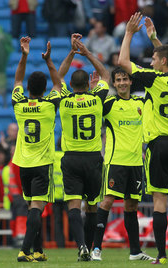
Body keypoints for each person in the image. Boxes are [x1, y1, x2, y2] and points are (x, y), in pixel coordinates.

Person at [118, 13, 168, 264]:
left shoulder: (155, 80)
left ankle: (161, 254)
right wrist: (154, 38)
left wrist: (129, 33)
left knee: (160, 200)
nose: (150, 62)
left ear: (161, 61)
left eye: (153, 59)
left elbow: (122, 62)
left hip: (158, 144)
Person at [90, 67, 154, 261]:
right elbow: (93, 108)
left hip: (135, 163)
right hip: (115, 162)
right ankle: (96, 249)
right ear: (114, 83)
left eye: (125, 79)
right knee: (107, 202)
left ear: (130, 81)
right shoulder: (109, 104)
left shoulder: (140, 103)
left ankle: (135, 252)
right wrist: (94, 92)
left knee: (132, 205)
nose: (122, 83)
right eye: (118, 80)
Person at [57, 33, 110, 261]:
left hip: (71, 158)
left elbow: (56, 76)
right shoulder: (97, 99)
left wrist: (71, 52)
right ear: (89, 84)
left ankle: (81, 247)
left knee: (73, 205)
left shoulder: (65, 101)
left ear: (70, 85)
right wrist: (86, 52)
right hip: (92, 158)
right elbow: (106, 74)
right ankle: (88, 245)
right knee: (91, 206)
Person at [12, 36, 61, 262]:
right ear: (44, 89)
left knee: (33, 206)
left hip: (23, 163)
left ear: (28, 88)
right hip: (42, 164)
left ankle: (39, 250)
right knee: (36, 208)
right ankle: (25, 250)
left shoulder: (19, 105)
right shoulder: (50, 105)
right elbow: (59, 84)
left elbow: (17, 79)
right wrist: (49, 61)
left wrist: (24, 55)